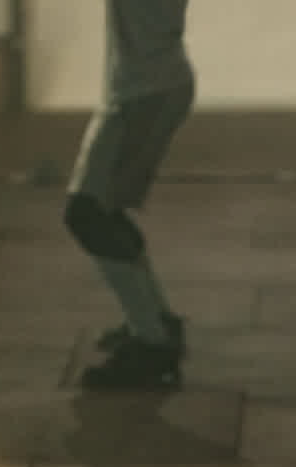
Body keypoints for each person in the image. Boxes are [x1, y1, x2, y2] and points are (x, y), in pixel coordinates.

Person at [69, 0, 193, 389]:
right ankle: (155, 320)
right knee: (103, 212)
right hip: (143, 87)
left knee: (88, 215)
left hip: (145, 92)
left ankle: (152, 343)